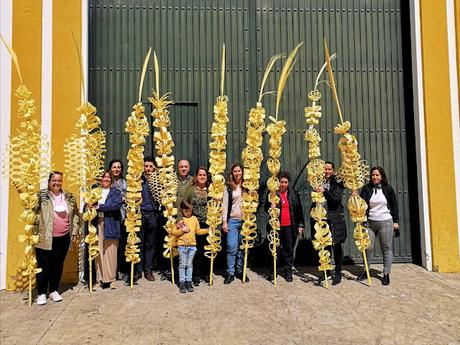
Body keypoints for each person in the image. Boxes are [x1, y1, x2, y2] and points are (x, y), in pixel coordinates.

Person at [34, 171, 80, 305]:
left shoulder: (69, 196)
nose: (57, 183)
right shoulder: (42, 196)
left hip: (63, 237)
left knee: (57, 265)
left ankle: (54, 290)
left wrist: (75, 231)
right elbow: (32, 210)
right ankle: (42, 293)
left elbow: (76, 215)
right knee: (43, 266)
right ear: (49, 182)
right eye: (54, 180)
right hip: (45, 237)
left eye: (59, 180)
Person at [358, 166, 399, 285]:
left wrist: (395, 221)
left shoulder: (387, 188)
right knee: (367, 247)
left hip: (385, 222)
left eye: (377, 175)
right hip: (370, 222)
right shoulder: (366, 188)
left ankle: (386, 273)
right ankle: (366, 270)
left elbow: (394, 205)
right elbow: (361, 204)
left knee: (386, 248)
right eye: (373, 175)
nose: (375, 177)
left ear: (381, 176)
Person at [311, 162, 347, 285]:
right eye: (325, 169)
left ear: (333, 170)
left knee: (336, 246)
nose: (327, 171)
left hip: (334, 219)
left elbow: (336, 200)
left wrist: (324, 191)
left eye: (329, 169)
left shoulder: (337, 182)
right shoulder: (317, 181)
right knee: (324, 246)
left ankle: (338, 272)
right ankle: (326, 272)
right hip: (322, 218)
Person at [265, 171, 305, 282]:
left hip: (289, 226)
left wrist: (300, 225)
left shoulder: (293, 193)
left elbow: (299, 210)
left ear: (288, 183)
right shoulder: (272, 193)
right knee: (275, 249)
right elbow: (265, 208)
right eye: (281, 182)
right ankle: (273, 271)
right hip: (276, 226)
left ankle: (288, 271)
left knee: (288, 249)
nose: (283, 184)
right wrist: (270, 206)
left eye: (285, 182)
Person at [176, 166, 210, 286]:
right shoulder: (191, 190)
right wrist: (180, 219)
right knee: (196, 251)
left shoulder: (211, 190)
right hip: (194, 223)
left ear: (207, 177)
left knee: (207, 249)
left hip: (207, 223)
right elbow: (182, 204)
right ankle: (195, 274)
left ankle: (206, 273)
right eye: (200, 175)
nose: (202, 177)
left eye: (204, 175)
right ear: (196, 177)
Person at [92, 171, 122, 290]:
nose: (106, 179)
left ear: (111, 180)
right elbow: (88, 205)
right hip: (97, 222)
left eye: (108, 177)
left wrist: (99, 207)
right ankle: (99, 279)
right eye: (104, 177)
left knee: (111, 251)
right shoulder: (95, 191)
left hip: (111, 222)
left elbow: (115, 206)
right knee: (98, 251)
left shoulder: (116, 192)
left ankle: (111, 279)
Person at [171, 200, 208, 293]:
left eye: (190, 211)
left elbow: (198, 231)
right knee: (182, 264)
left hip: (192, 246)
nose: (188, 213)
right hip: (182, 246)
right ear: (182, 210)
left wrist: (208, 230)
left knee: (189, 264)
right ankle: (182, 282)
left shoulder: (194, 219)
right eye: (186, 211)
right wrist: (182, 230)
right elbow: (173, 232)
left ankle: (189, 281)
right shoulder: (180, 219)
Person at [135, 157, 161, 283]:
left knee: (150, 243)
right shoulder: (138, 179)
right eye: (146, 166)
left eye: (151, 166)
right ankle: (138, 270)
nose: (148, 169)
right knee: (139, 242)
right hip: (140, 213)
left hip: (153, 214)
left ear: (154, 167)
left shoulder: (159, 180)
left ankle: (148, 270)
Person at [222, 163, 247, 284]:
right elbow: (225, 205)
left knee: (242, 248)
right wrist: (224, 222)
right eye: (235, 171)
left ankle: (240, 270)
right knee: (232, 247)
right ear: (232, 173)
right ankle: (230, 273)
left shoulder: (248, 185)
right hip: (232, 220)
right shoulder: (228, 187)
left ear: (242, 172)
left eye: (239, 171)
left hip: (245, 221)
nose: (237, 173)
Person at [108, 159, 128, 281]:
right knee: (111, 245)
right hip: (110, 218)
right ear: (110, 168)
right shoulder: (107, 181)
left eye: (119, 167)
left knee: (122, 245)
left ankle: (120, 270)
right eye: (114, 167)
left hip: (122, 216)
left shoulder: (124, 182)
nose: (116, 169)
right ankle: (110, 271)